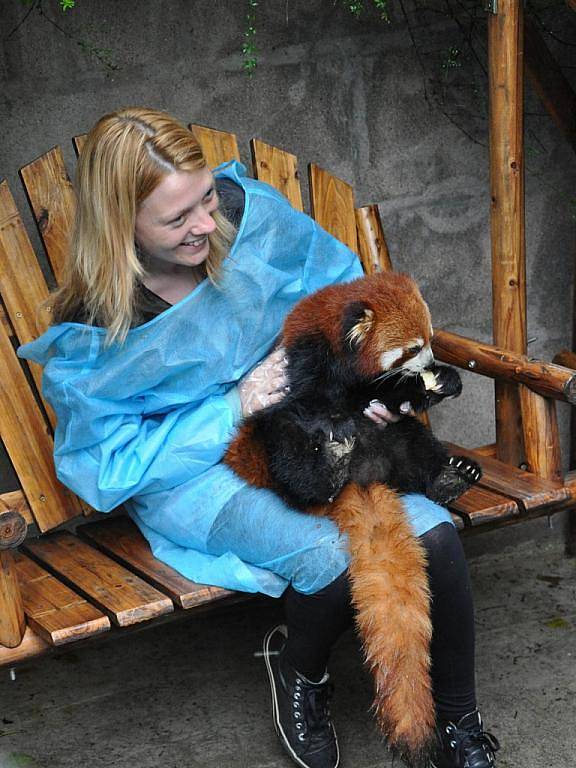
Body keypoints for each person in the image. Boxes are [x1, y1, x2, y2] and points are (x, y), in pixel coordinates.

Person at [19, 107, 499, 768]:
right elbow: (106, 470)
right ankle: (300, 668)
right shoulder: (93, 327)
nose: (207, 225)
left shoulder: (248, 218)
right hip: (192, 476)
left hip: (305, 429)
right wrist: (231, 406)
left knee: (434, 532)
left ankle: (458, 726)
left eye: (207, 199)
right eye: (178, 217)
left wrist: (363, 392)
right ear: (120, 221)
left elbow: (338, 303)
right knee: (330, 557)